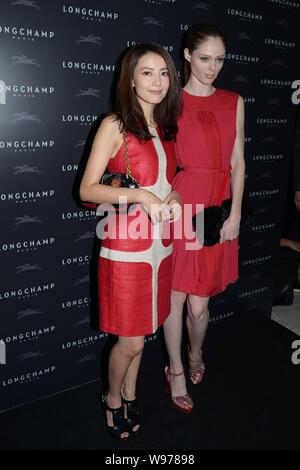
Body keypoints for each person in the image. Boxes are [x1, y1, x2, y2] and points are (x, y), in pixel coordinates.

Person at [79, 43, 182, 438]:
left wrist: (172, 196)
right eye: (147, 72)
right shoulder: (115, 124)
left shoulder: (166, 127)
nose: (157, 81)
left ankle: (131, 392)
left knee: (144, 333)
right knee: (132, 342)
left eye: (164, 73)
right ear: (131, 78)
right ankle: (112, 398)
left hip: (161, 249)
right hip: (125, 251)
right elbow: (88, 191)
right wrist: (139, 196)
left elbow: (167, 183)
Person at [163, 24, 245, 413]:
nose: (213, 67)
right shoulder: (172, 100)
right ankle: (177, 370)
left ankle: (195, 354)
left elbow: (238, 163)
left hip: (216, 207)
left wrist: (237, 213)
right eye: (205, 58)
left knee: (199, 304)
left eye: (219, 60)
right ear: (187, 56)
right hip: (182, 201)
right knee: (174, 297)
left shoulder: (234, 101)